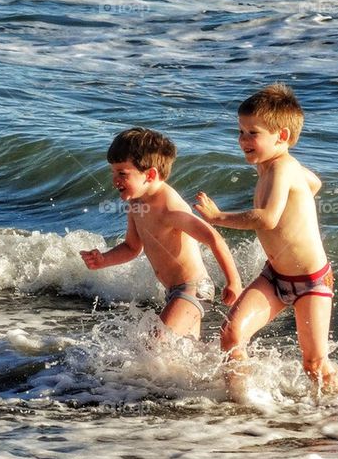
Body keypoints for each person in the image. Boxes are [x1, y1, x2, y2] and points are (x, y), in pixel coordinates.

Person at [194, 83, 338, 399]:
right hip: (274, 276)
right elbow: (313, 182)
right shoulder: (273, 168)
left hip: (312, 282)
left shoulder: (282, 167)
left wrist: (218, 217)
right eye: (241, 131)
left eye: (253, 133)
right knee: (232, 334)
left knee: (314, 364)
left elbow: (267, 219)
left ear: (282, 137)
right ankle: (244, 402)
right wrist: (300, 200)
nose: (243, 140)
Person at [81, 127, 243, 338]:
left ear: (150, 174)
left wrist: (234, 282)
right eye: (113, 172)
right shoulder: (137, 204)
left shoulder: (169, 207)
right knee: (182, 354)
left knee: (155, 341)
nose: (115, 179)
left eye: (122, 173)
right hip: (173, 292)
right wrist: (104, 259)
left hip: (194, 289)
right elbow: (132, 247)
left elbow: (214, 238)